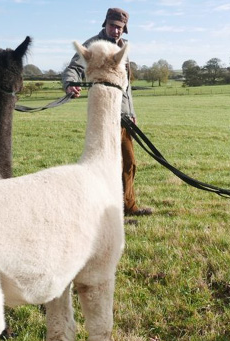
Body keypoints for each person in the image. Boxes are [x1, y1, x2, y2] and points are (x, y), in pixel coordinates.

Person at [62, 7, 152, 217]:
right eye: (113, 26)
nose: (116, 31)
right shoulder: (93, 46)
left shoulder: (122, 49)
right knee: (106, 165)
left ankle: (128, 207)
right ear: (106, 24)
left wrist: (131, 112)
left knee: (129, 162)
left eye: (120, 28)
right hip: (104, 116)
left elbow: (126, 87)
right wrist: (69, 84)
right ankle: (105, 210)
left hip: (124, 118)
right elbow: (74, 68)